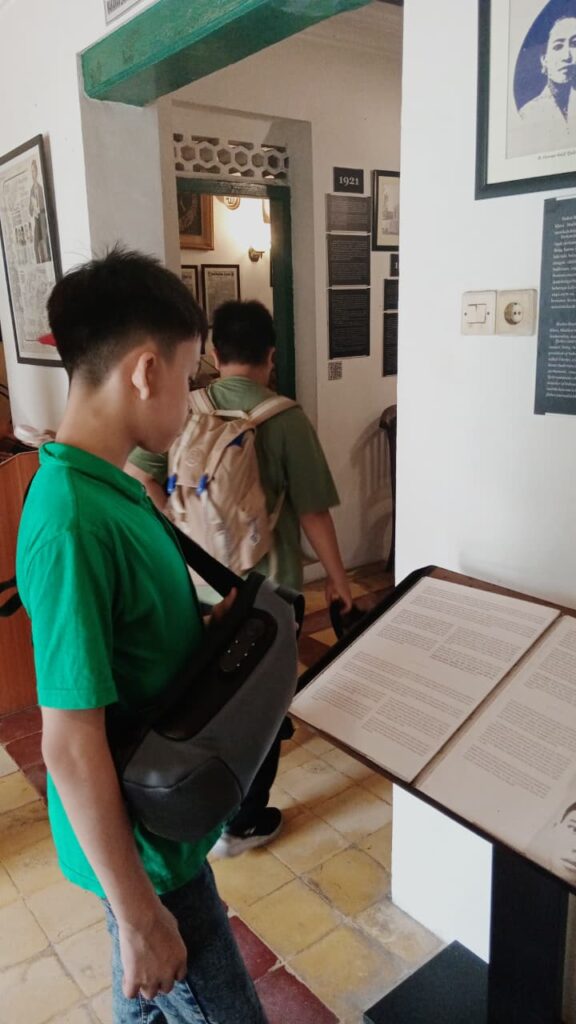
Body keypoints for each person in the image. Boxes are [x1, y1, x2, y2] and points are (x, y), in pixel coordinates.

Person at [16, 249, 268, 1024]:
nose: (191, 402)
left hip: (159, 834)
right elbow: (68, 742)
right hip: (146, 854)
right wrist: (138, 915)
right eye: (190, 376)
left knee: (150, 1007)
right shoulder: (72, 520)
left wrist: (200, 629)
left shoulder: (112, 487)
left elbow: (131, 639)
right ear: (146, 371)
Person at [127, 299, 352, 856]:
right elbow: (313, 512)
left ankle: (197, 801)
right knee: (261, 703)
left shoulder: (187, 407)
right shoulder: (285, 418)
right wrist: (339, 579)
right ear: (271, 356)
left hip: (195, 585)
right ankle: (244, 823)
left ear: (215, 352)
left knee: (205, 690)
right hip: (266, 594)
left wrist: (180, 524)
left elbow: (140, 475)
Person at [517, 15, 576, 154]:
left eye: (574, 44)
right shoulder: (528, 114)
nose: (567, 56)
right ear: (544, 59)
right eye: (558, 46)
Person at [28, 158, 51, 263]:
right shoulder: (31, 190)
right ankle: (39, 264)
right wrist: (33, 210)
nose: (33, 174)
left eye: (34, 171)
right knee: (35, 245)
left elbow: (45, 206)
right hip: (37, 220)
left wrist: (39, 209)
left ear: (37, 172)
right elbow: (29, 209)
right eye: (31, 171)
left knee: (45, 244)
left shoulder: (41, 188)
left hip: (42, 219)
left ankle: (47, 262)